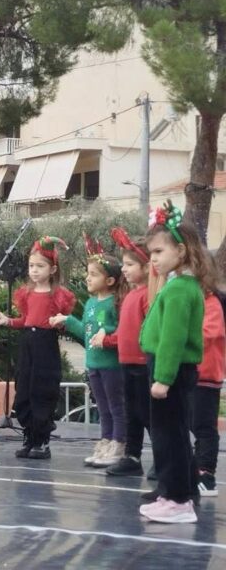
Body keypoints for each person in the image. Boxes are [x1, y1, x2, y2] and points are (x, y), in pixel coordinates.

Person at [138, 200, 213, 524]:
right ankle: (180, 492)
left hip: (171, 369)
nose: (153, 259)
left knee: (169, 436)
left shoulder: (180, 289)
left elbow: (173, 338)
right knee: (175, 433)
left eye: (159, 252)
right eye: (151, 253)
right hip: (171, 368)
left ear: (181, 251)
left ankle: (177, 501)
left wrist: (163, 378)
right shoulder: (179, 285)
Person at [0, 236, 77, 460]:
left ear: (53, 269)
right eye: (31, 265)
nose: (34, 270)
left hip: (45, 343)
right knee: (24, 388)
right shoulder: (26, 293)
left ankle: (42, 441)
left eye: (40, 266)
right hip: (27, 343)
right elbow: (25, 320)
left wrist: (60, 323)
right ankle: (29, 436)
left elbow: (64, 323)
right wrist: (7, 321)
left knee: (42, 389)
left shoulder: (58, 295)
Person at [50, 236, 126, 468]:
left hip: (112, 366)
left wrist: (107, 333)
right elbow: (85, 331)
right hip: (93, 365)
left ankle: (119, 444)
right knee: (102, 407)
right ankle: (105, 440)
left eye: (94, 274)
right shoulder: (91, 303)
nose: (88, 278)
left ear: (110, 280)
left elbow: (122, 330)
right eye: (88, 274)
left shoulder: (115, 303)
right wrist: (68, 320)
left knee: (116, 406)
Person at [101, 228, 151, 477]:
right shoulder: (131, 295)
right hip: (127, 362)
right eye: (124, 264)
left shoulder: (148, 295)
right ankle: (132, 456)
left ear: (146, 267)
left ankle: (163, 457)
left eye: (130, 264)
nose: (124, 269)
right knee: (132, 413)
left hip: (143, 364)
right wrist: (110, 340)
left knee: (148, 413)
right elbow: (124, 330)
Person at [191, 292, 224, 497]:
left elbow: (206, 335)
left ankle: (206, 475)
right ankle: (197, 469)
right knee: (195, 424)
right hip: (193, 373)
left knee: (204, 426)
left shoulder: (211, 303)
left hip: (206, 374)